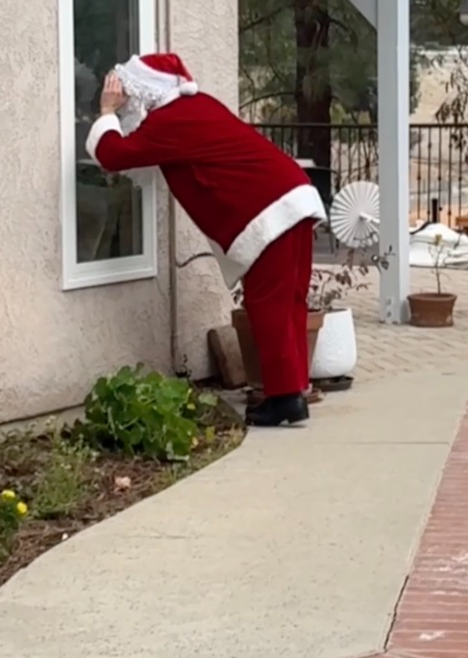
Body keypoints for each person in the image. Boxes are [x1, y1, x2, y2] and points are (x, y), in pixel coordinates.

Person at [85, 52, 326, 427]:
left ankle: (285, 398)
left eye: (130, 96)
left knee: (269, 303)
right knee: (289, 300)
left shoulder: (169, 121)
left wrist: (105, 111)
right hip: (293, 197)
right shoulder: (196, 106)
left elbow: (115, 155)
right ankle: (293, 389)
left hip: (269, 209)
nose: (129, 104)